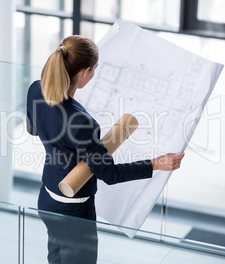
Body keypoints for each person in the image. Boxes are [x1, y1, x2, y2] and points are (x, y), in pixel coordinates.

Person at [26, 35, 184, 264]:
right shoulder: (81, 122)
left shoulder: (36, 90)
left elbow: (33, 129)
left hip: (47, 200)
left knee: (56, 258)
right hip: (74, 213)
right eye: (95, 69)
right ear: (84, 72)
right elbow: (110, 174)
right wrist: (157, 163)